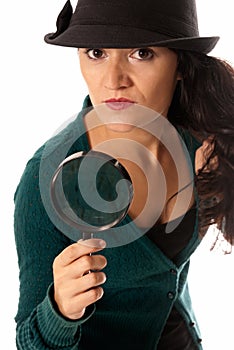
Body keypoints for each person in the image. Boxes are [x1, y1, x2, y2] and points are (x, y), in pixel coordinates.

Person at [14, 0, 234, 349]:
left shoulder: (201, 141)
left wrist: (224, 188)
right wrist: (60, 311)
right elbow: (28, 341)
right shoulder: (45, 181)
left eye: (142, 53)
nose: (115, 80)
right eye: (96, 52)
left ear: (180, 65)